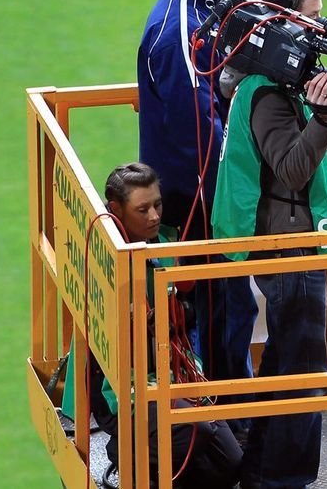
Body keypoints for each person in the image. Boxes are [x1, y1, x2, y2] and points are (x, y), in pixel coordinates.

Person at [211, 0, 327, 486]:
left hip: (293, 241)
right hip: (290, 250)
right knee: (302, 375)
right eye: (313, 20)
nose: (322, 30)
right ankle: (283, 482)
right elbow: (293, 166)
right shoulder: (267, 92)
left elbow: (300, 141)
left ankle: (259, 470)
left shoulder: (280, 78)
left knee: (284, 362)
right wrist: (324, 120)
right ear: (281, 24)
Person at [137, 0, 258, 399]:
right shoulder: (178, 30)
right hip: (202, 193)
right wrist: (232, 191)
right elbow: (199, 132)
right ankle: (227, 408)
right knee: (223, 299)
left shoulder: (201, 10)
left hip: (195, 187)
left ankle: (216, 398)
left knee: (219, 300)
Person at [63, 163, 242, 487]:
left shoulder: (165, 243)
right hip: (122, 388)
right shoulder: (103, 260)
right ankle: (127, 456)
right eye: (142, 209)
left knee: (228, 463)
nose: (154, 216)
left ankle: (157, 461)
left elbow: (185, 323)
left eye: (157, 205)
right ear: (116, 210)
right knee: (193, 432)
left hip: (171, 374)